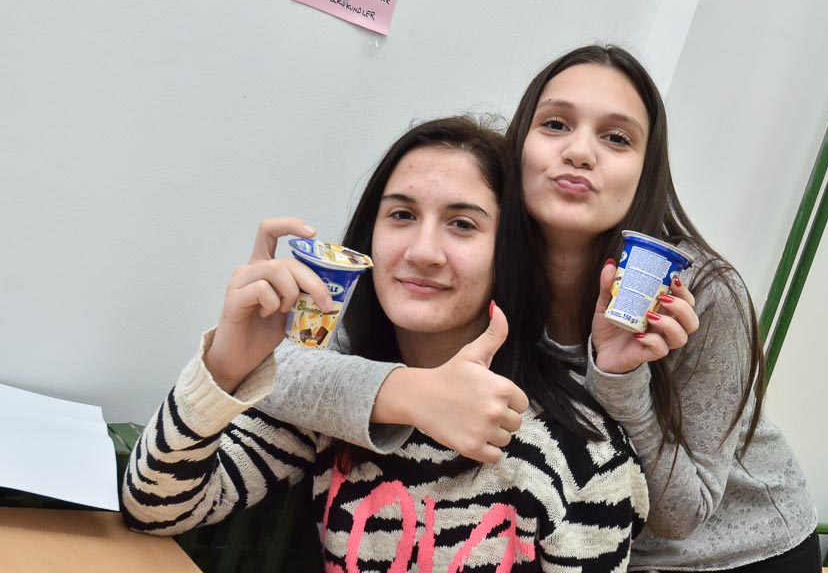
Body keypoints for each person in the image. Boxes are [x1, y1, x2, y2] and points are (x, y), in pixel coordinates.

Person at [262, 46, 820, 572]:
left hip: (734, 553)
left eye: (617, 138)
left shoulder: (695, 291)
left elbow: (682, 516)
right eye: (555, 125)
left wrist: (619, 378)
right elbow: (284, 372)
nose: (580, 151)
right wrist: (410, 394)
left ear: (646, 170)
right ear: (518, 148)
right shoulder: (474, 258)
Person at [122, 116, 648, 571]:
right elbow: (155, 508)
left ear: (507, 252)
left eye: (462, 224)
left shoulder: (583, 456)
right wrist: (226, 364)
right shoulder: (336, 403)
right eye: (401, 215)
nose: (422, 251)